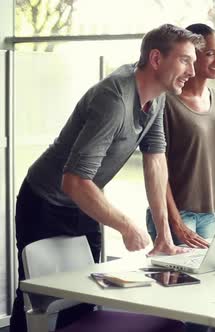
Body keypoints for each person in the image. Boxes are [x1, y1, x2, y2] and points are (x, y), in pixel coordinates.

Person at [10, 24, 200, 332]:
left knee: (85, 296)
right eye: (185, 60)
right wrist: (126, 225)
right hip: (45, 200)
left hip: (83, 201)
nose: (193, 70)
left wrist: (163, 236)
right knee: (38, 298)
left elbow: (155, 161)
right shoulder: (114, 99)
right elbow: (72, 181)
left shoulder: (158, 96)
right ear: (156, 59)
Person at [146, 23, 215, 248]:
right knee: (179, 282)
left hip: (209, 214)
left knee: (210, 279)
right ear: (191, 57)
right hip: (177, 215)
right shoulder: (166, 102)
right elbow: (157, 168)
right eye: (209, 54)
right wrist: (176, 222)